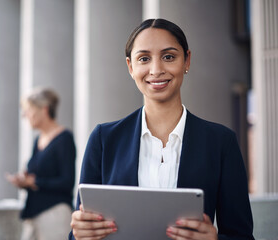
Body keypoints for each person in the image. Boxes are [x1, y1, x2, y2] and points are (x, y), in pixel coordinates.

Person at [69, 18, 254, 240]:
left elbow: (241, 236)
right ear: (130, 66)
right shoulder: (104, 140)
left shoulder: (221, 142)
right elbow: (80, 231)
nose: (156, 70)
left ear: (187, 60)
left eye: (169, 57)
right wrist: (80, 233)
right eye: (144, 58)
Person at [6, 87, 76, 240]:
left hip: (54, 213)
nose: (25, 115)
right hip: (33, 213)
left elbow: (67, 182)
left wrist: (35, 181)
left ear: (44, 110)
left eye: (28, 110)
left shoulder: (64, 138)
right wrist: (24, 181)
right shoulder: (37, 140)